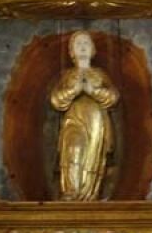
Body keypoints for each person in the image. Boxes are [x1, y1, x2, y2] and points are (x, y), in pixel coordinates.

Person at [50, 31, 120, 202]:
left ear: (93, 49)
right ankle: (71, 191)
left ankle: (89, 195)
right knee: (73, 149)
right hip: (73, 119)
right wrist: (73, 91)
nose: (82, 46)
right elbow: (55, 99)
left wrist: (92, 90)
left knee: (92, 155)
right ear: (71, 51)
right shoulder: (67, 75)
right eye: (78, 44)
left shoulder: (99, 74)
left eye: (86, 43)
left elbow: (113, 97)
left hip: (96, 121)